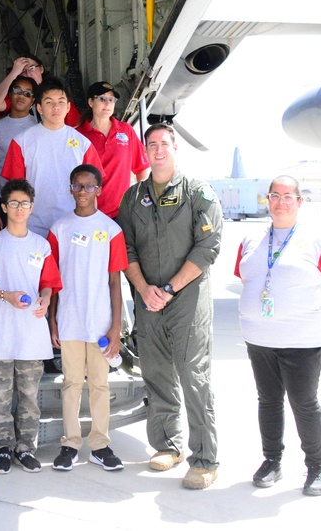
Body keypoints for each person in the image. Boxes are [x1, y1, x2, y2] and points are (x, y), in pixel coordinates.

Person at [117, 123, 223, 489]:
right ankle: (168, 445)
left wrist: (169, 288)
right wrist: (145, 289)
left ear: (175, 149)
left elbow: (208, 248)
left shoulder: (198, 193)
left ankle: (205, 459)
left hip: (187, 300)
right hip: (148, 300)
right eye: (152, 145)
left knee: (193, 376)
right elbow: (125, 250)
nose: (158, 150)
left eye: (164, 144)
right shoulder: (133, 199)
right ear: (145, 151)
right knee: (157, 372)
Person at [234, 175, 321, 497]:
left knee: (304, 402)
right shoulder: (251, 238)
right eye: (274, 195)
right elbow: (247, 278)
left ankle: (317, 465)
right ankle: (272, 460)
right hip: (260, 337)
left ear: (299, 202)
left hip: (303, 339)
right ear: (266, 200)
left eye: (288, 196)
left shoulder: (318, 240)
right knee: (268, 401)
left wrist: (304, 306)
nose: (280, 202)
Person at [0, 179, 60, 475]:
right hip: (2, 333)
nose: (19, 208)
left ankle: (26, 448)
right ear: (3, 207)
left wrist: (46, 299)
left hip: (32, 334)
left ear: (31, 207)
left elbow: (49, 284)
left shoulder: (41, 244)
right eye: (13, 203)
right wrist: (4, 295)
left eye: (24, 204)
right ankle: (2, 448)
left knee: (28, 397)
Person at [47, 164, 128, 473]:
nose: (83, 192)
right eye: (77, 186)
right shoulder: (59, 228)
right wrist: (52, 319)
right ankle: (69, 444)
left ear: (99, 190)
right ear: (70, 189)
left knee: (99, 384)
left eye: (89, 186)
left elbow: (114, 282)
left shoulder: (111, 230)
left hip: (100, 322)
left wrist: (116, 325)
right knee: (70, 383)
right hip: (68, 318)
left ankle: (100, 445)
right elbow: (53, 281)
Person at [0, 77, 104, 236]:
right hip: (33, 226)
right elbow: (15, 190)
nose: (56, 107)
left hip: (73, 225)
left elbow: (93, 189)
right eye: (49, 102)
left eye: (61, 102)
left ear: (69, 107)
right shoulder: (21, 141)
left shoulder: (83, 144)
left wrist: (89, 224)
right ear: (39, 108)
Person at [75, 82, 149, 219]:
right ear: (90, 102)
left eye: (111, 99)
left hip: (123, 214)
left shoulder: (126, 130)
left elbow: (142, 168)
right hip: (88, 214)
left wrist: (140, 201)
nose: (108, 104)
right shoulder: (77, 136)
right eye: (102, 99)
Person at [0, 74, 37, 234]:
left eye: (28, 93)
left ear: (33, 101)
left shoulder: (40, 127)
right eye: (17, 90)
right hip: (4, 200)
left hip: (35, 200)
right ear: (9, 94)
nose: (22, 96)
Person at [0, 57, 80, 125]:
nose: (28, 73)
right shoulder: (18, 96)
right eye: (23, 70)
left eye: (32, 68)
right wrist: (14, 72)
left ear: (41, 69)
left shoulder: (58, 94)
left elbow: (75, 127)